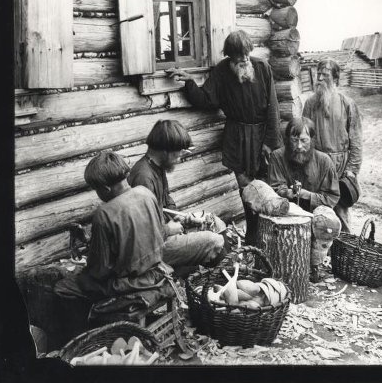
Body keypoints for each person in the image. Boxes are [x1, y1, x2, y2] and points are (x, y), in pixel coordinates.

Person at [166, 30, 282, 244]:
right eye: (240, 56)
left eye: (247, 54)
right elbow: (207, 99)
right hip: (237, 137)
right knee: (245, 187)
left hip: (261, 135)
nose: (245, 59)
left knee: (265, 186)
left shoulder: (262, 68)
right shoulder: (221, 72)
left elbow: (273, 108)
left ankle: (268, 235)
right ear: (230, 56)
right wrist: (190, 82)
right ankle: (252, 234)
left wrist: (269, 142)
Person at [55, 151, 172, 301]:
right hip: (157, 271)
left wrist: (84, 267)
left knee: (64, 286)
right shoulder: (146, 194)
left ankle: (102, 318)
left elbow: (100, 271)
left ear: (105, 188)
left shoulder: (103, 213)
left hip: (130, 283)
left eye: (96, 189)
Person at [128, 119, 225, 269]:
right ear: (165, 150)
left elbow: (166, 200)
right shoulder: (143, 177)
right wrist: (168, 229)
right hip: (152, 248)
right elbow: (143, 231)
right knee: (214, 241)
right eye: (179, 151)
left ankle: (224, 275)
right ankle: (223, 280)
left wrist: (179, 216)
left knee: (214, 222)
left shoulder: (157, 166)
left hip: (162, 233)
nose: (181, 155)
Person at [302, 58, 363, 232]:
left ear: (335, 79)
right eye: (318, 74)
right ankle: (320, 258)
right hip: (316, 166)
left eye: (325, 75)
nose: (319, 78)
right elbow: (304, 137)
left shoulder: (348, 104)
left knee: (341, 217)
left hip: (340, 167)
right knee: (317, 215)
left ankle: (342, 255)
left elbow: (356, 141)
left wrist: (351, 172)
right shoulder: (310, 104)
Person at [267, 117, 340, 213]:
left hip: (316, 215)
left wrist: (307, 195)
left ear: (312, 140)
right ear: (288, 139)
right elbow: (274, 188)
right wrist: (286, 192)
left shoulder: (324, 161)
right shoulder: (277, 157)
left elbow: (331, 197)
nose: (299, 146)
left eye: (304, 140)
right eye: (294, 140)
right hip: (284, 213)